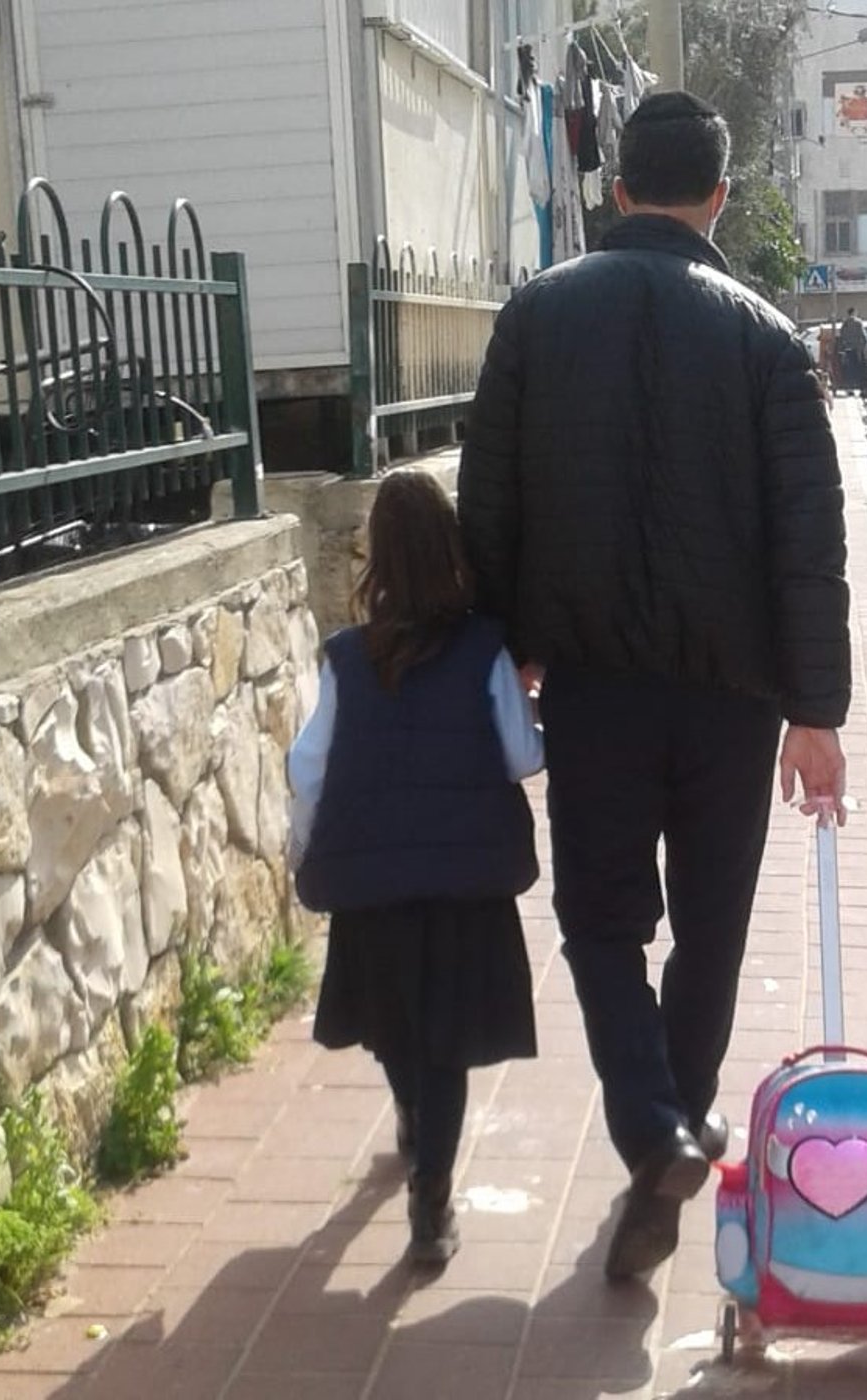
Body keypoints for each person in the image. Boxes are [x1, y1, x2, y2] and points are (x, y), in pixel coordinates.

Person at [458, 91, 851, 1280]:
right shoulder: (767, 341)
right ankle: (671, 1126)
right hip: (733, 701)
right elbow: (808, 540)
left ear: (618, 190)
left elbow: (489, 499)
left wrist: (506, 643)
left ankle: (651, 1127)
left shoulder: (535, 315)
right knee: (711, 925)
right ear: (719, 197)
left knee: (599, 922)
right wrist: (815, 712)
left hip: (591, 687)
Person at [287, 471, 543, 1266]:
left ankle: (409, 1112)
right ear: (450, 549)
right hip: (466, 884)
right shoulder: (484, 649)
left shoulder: (347, 659)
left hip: (374, 886)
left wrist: (306, 846)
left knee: (395, 1025)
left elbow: (308, 765)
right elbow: (522, 756)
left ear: (380, 559)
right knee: (448, 1048)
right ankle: (432, 1199)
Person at [838, 306, 867, 396]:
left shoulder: (845, 323)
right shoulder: (858, 322)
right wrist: (865, 344)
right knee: (859, 368)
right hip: (857, 349)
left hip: (847, 349)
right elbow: (863, 335)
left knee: (849, 369)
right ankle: (861, 388)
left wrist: (843, 346)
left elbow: (841, 335)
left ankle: (849, 388)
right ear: (854, 312)